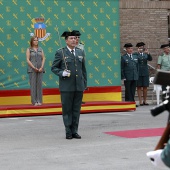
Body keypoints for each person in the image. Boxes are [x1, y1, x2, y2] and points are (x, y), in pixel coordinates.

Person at [51, 31, 87, 140]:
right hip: (67, 86)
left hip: (78, 86)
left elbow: (83, 70)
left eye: (75, 38)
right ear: (66, 40)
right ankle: (68, 131)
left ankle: (75, 131)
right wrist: (62, 73)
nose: (74, 40)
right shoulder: (60, 53)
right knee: (67, 110)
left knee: (76, 109)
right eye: (71, 38)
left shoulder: (80, 52)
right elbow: (54, 68)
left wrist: (84, 84)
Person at [26, 36, 45, 106]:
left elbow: (43, 58)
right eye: (34, 40)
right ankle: (34, 102)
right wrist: (34, 67)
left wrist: (41, 67)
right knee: (33, 85)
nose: (36, 41)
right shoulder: (29, 49)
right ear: (32, 41)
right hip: (32, 70)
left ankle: (39, 100)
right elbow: (28, 60)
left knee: (39, 85)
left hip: (40, 69)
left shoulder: (40, 49)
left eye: (37, 40)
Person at [72, 30, 86, 104]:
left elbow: (84, 57)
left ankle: (80, 99)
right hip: (73, 67)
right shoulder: (71, 46)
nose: (77, 39)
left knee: (80, 83)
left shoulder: (81, 46)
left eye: (78, 37)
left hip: (80, 66)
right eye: (76, 37)